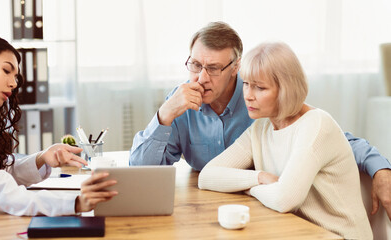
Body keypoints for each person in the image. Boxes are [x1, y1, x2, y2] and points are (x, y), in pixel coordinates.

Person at [129, 21, 391, 220]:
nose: (200, 78)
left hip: (271, 210)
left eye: (213, 68)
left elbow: (328, 138)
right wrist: (163, 115)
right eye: (195, 65)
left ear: (235, 67)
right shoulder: (180, 102)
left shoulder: (261, 97)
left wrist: (380, 169)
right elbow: (140, 175)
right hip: (213, 210)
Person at [198, 42, 372, 239]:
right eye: (246, 84)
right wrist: (260, 177)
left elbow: (284, 199)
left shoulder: (316, 125)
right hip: (297, 232)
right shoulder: (260, 128)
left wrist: (248, 188)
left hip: (338, 235)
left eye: (260, 88)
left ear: (285, 89)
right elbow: (207, 176)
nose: (248, 95)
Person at [0, 34, 118, 240]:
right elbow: (3, 192)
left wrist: (42, 158)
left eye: (16, 76)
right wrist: (76, 202)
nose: (13, 83)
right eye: (6, 70)